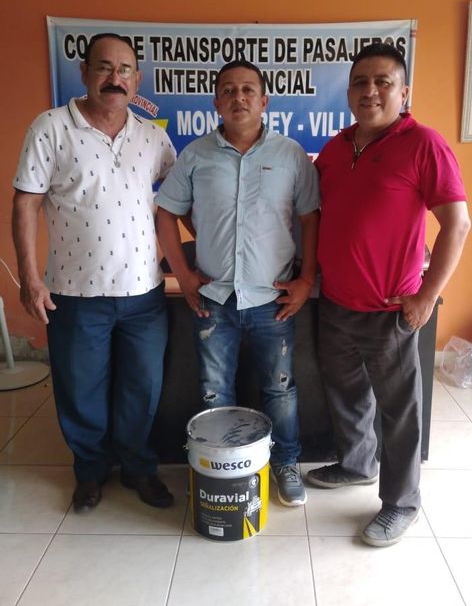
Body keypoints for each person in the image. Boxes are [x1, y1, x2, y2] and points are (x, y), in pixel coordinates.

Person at [307, 43, 471, 546]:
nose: (371, 91)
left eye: (383, 82)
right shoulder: (336, 148)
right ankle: (357, 464)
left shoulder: (424, 144)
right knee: (347, 395)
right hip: (336, 303)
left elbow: (458, 224)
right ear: (348, 92)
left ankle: (401, 502)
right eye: (360, 82)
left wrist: (427, 296)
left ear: (404, 92)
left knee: (399, 411)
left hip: (391, 310)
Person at [12, 33, 177, 512]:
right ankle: (90, 471)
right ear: (84, 73)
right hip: (74, 293)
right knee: (81, 390)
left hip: (144, 294)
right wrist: (30, 278)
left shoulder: (152, 136)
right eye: (104, 68)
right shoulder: (51, 127)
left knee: (141, 388)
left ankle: (138, 467)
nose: (115, 79)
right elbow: (26, 203)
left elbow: (179, 201)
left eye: (125, 70)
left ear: (137, 80)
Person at [155, 60, 319, 507]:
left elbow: (310, 218)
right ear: (216, 102)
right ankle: (221, 468)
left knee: (280, 388)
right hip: (213, 299)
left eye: (248, 90)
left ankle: (285, 462)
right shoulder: (196, 155)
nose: (238, 97)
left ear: (264, 101)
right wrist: (183, 274)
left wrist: (307, 279)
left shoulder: (290, 155)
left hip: (272, 299)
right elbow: (166, 214)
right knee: (214, 391)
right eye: (228, 90)